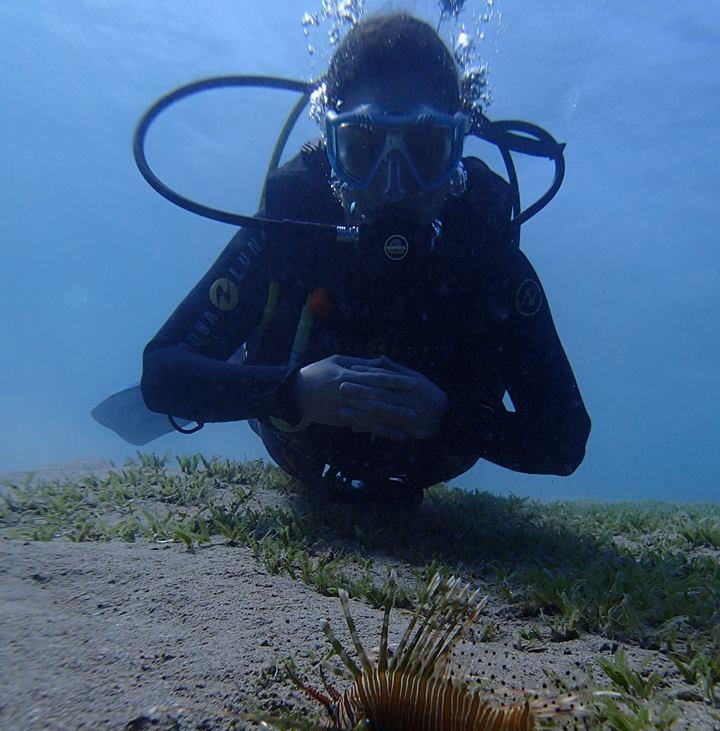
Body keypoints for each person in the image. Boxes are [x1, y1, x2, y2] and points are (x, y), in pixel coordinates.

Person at [141, 13, 591, 506]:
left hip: (431, 461)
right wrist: (293, 392)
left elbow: (565, 439)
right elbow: (164, 372)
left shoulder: (481, 245)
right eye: (362, 148)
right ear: (331, 147)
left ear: (456, 149)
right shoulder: (292, 225)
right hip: (300, 451)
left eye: (424, 150)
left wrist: (450, 418)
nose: (393, 183)